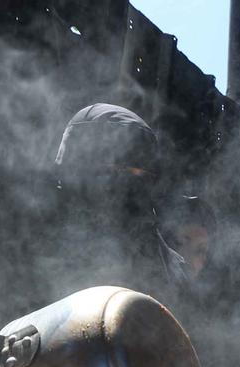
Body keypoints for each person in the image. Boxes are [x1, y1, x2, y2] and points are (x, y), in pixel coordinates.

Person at [41, 103, 186, 308]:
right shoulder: (35, 239)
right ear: (76, 170)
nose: (128, 192)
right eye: (114, 173)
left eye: (141, 177)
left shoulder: (166, 264)